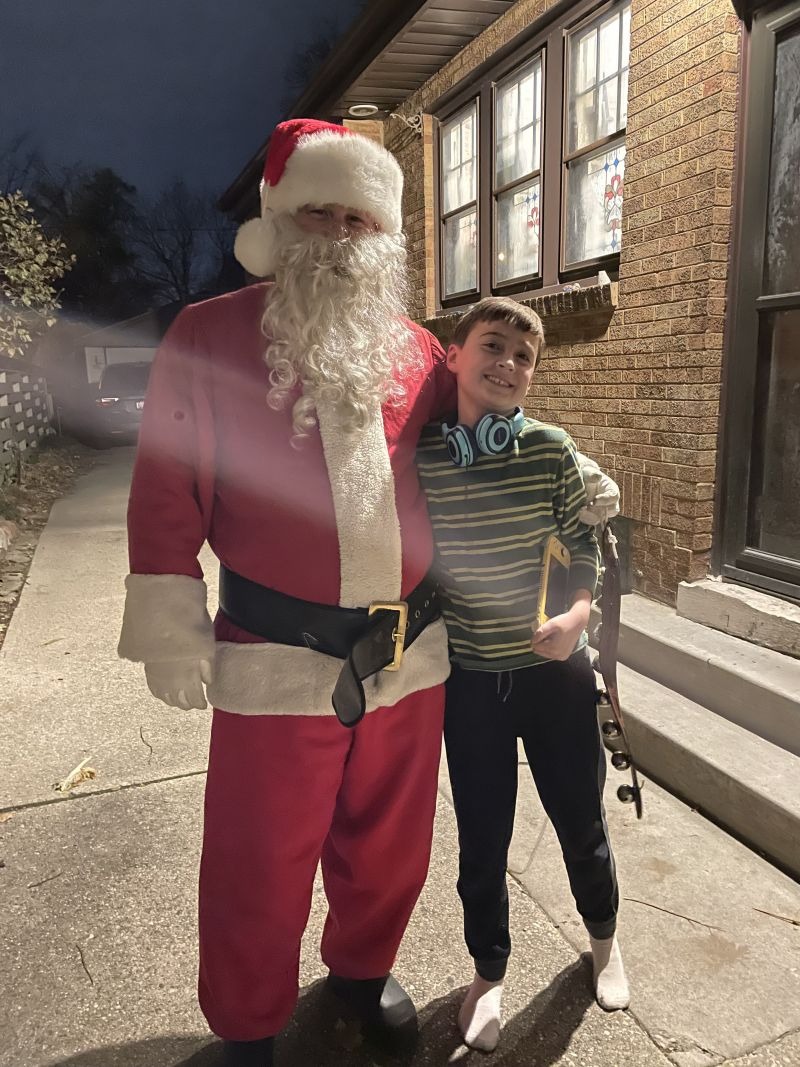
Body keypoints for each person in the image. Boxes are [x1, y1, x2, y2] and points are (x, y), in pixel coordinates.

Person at [117, 119, 619, 1066]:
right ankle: (249, 1022)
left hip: (406, 655)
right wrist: (172, 626)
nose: (342, 234)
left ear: (384, 233)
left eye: (361, 219)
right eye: (322, 213)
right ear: (279, 220)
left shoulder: (421, 352)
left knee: (389, 843)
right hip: (275, 653)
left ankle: (359, 967)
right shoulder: (208, 336)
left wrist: (576, 474)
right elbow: (167, 489)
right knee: (259, 857)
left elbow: (491, 433)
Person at [416, 296, 629, 1054]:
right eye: (493, 345)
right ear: (454, 356)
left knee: (580, 822)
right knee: (482, 839)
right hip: (471, 682)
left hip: (554, 679)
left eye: (524, 356)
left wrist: (577, 617)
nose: (507, 363)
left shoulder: (550, 449)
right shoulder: (424, 455)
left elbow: (583, 547)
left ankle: (604, 940)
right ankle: (488, 972)